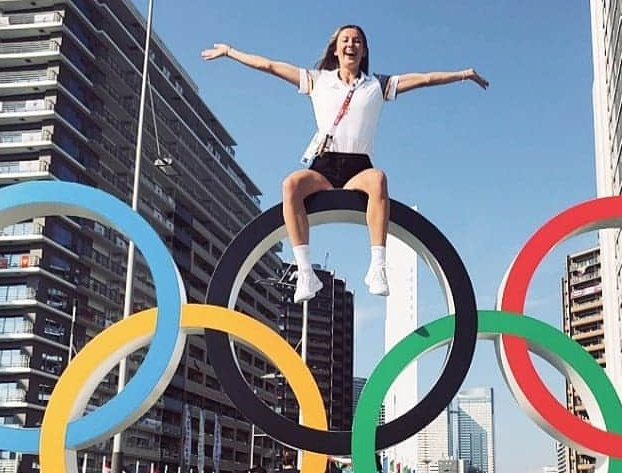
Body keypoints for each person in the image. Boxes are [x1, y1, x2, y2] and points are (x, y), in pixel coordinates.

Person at [202, 26, 488, 304]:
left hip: (358, 166)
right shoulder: (317, 80)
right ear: (335, 49)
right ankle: (305, 273)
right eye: (346, 40)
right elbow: (270, 66)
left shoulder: (377, 84)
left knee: (378, 180)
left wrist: (464, 74)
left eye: (357, 41)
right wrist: (230, 52)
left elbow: (425, 79)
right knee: (291, 185)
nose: (351, 44)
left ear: (363, 51)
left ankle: (377, 266)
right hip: (324, 165)